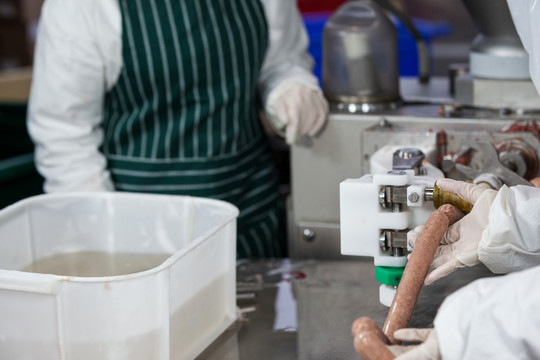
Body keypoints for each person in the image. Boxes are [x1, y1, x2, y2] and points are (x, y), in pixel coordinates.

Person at [27, 0, 329, 259]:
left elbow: (281, 60)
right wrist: (102, 240)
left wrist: (289, 86)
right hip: (140, 236)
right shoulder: (83, 7)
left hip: (250, 218)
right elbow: (64, 135)